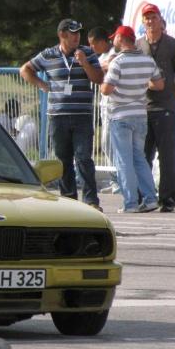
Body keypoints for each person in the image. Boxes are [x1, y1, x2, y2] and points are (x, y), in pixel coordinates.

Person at [20, 19, 104, 211]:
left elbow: (98, 79)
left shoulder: (87, 52)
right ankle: (69, 200)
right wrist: (42, 85)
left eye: (78, 33)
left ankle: (91, 200)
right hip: (57, 116)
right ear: (62, 35)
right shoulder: (48, 55)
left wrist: (84, 62)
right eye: (72, 33)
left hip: (82, 114)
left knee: (83, 157)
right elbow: (24, 70)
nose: (77, 36)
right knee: (63, 159)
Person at [100, 25, 165, 213]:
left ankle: (130, 203)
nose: (113, 41)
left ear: (121, 39)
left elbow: (106, 89)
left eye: (115, 38)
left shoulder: (117, 62)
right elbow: (159, 84)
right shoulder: (147, 60)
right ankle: (151, 198)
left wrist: (107, 79)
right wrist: (140, 86)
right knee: (140, 158)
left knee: (124, 160)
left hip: (120, 115)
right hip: (140, 113)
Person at [135, 3, 175, 212]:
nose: (150, 21)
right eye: (147, 18)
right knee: (143, 156)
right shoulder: (138, 45)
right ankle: (145, 197)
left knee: (167, 157)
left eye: (153, 17)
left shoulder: (173, 45)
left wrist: (172, 98)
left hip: (166, 110)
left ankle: (167, 200)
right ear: (143, 22)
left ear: (160, 19)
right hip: (143, 108)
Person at [88, 26, 120, 194]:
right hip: (104, 105)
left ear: (101, 41)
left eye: (93, 44)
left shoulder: (114, 52)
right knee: (106, 143)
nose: (92, 48)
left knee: (110, 142)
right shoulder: (100, 57)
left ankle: (118, 180)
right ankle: (114, 179)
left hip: (114, 105)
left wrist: (93, 67)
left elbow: (108, 65)